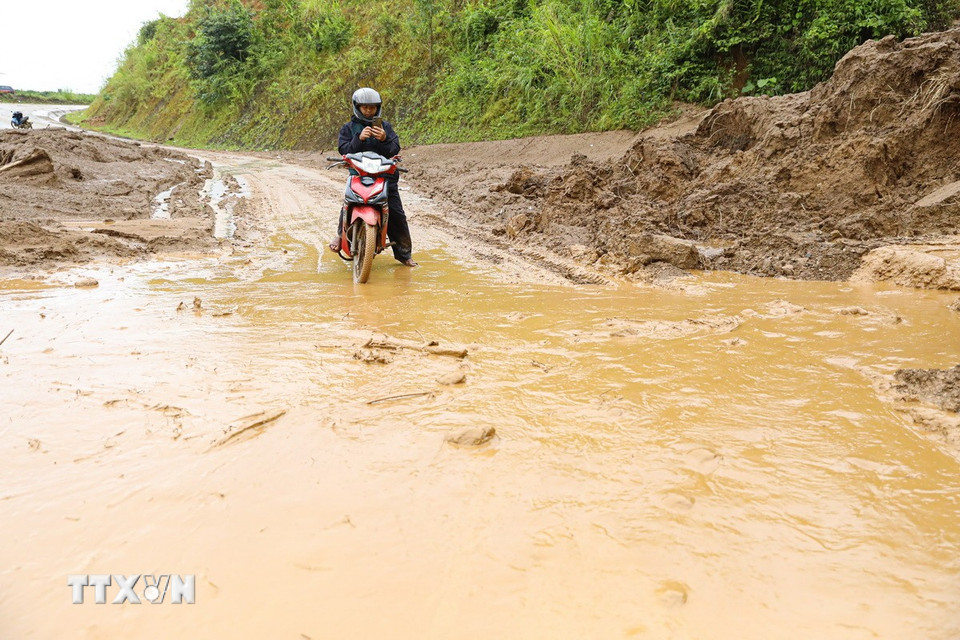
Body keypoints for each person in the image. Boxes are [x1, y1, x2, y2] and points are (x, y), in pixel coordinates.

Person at [329, 87, 417, 267]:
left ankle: (404, 254)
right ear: (357, 107)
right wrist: (358, 139)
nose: (369, 111)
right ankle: (340, 235)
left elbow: (394, 149)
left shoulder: (385, 127)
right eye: (365, 107)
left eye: (373, 108)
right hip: (359, 175)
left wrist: (384, 138)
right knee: (349, 202)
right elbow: (344, 150)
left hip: (384, 177)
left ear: (378, 108)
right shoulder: (349, 128)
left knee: (397, 214)